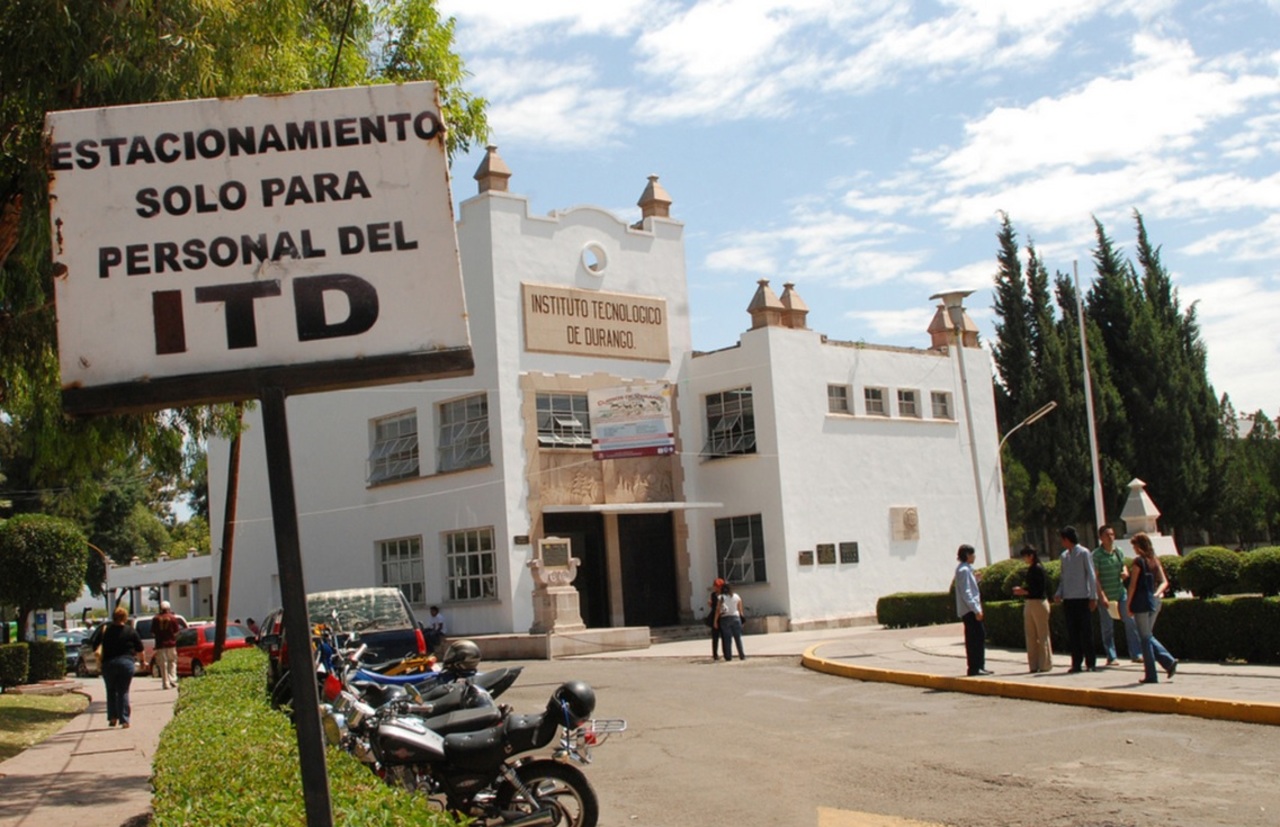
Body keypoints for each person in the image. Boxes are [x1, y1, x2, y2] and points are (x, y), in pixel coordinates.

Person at [1127, 532, 1178, 684]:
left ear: (1139, 546)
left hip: (1141, 603)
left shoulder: (1138, 562)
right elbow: (1164, 582)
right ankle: (1167, 663)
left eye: (1134, 546)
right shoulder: (1154, 560)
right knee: (1147, 635)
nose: (1134, 549)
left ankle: (1154, 672)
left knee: (1145, 638)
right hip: (1155, 601)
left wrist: (1128, 604)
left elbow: (1133, 585)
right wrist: (1156, 593)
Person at [1093, 526, 1141, 666]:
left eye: (1112, 534)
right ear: (1101, 537)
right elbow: (1095, 578)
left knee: (1130, 622)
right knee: (1108, 627)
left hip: (1120, 593)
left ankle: (1136, 653)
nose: (1110, 537)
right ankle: (1111, 656)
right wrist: (1102, 596)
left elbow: (1123, 565)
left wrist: (1125, 572)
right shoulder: (1096, 555)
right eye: (1107, 535)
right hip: (1106, 595)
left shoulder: (1118, 551)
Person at [1054, 525, 1098, 673]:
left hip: (1082, 597)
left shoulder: (1084, 552)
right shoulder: (1064, 556)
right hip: (1069, 598)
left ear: (1067, 539)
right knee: (1073, 633)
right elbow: (1063, 577)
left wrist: (1093, 596)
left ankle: (1091, 663)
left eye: (1062, 539)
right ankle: (1076, 662)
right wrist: (1059, 592)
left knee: (1086, 632)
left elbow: (1091, 575)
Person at [94, 607, 143, 727]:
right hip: (126, 663)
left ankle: (112, 718)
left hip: (109, 663)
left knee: (111, 690)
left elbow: (94, 645)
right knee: (123, 691)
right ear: (125, 618)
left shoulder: (106, 630)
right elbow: (140, 648)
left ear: (113, 617)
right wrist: (143, 662)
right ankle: (124, 720)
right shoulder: (130, 631)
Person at [1012, 545, 1052, 673]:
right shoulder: (1030, 569)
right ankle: (1033, 665)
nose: (1024, 559)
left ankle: (1045, 664)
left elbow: (1039, 589)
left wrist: (1023, 591)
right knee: (1030, 635)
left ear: (1031, 556)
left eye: (1025, 556)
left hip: (1039, 602)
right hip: (1029, 602)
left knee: (1042, 634)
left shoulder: (1039, 569)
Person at [954, 544, 989, 676]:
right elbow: (966, 592)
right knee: (975, 638)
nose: (974, 557)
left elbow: (969, 587)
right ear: (967, 555)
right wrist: (976, 609)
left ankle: (980, 665)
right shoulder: (963, 570)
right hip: (969, 611)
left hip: (971, 609)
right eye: (972, 554)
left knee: (979, 637)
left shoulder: (967, 569)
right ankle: (975, 667)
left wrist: (976, 580)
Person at [150, 601, 185, 689]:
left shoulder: (155, 619)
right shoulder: (173, 618)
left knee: (163, 664)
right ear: (169, 608)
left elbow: (153, 633)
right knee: (172, 662)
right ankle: (172, 680)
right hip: (171, 644)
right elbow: (176, 632)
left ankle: (165, 683)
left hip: (160, 645)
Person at [714, 581, 746, 661]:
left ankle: (728, 656)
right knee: (738, 638)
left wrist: (715, 621)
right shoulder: (736, 596)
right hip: (736, 617)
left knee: (727, 638)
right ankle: (742, 655)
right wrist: (742, 619)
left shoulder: (721, 597)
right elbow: (740, 610)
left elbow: (718, 610)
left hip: (725, 618)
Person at [708, 578, 725, 661]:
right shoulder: (713, 595)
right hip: (714, 615)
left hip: (722, 616)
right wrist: (710, 604)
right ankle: (715, 654)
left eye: (717, 586)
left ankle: (726, 653)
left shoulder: (724, 595)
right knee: (715, 637)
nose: (715, 588)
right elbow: (713, 606)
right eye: (715, 586)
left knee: (724, 636)